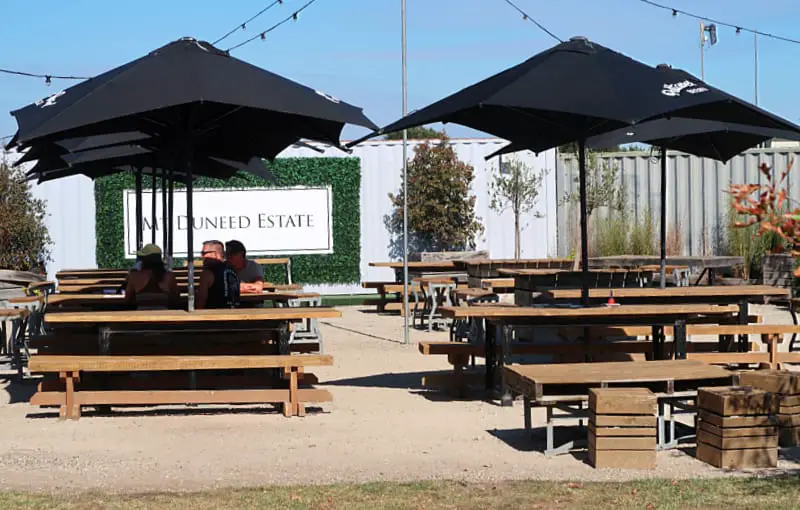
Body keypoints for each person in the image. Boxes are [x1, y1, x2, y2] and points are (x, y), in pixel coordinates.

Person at [124, 244, 179, 309]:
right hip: (164, 316)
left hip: (140, 316)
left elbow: (128, 299)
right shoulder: (169, 276)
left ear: (144, 260)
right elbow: (176, 299)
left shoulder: (134, 276)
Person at [196, 240, 240, 309]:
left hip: (213, 316)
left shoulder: (206, 274)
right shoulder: (232, 271)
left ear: (216, 254)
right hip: (235, 314)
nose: (201, 256)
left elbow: (200, 301)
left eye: (204, 253)